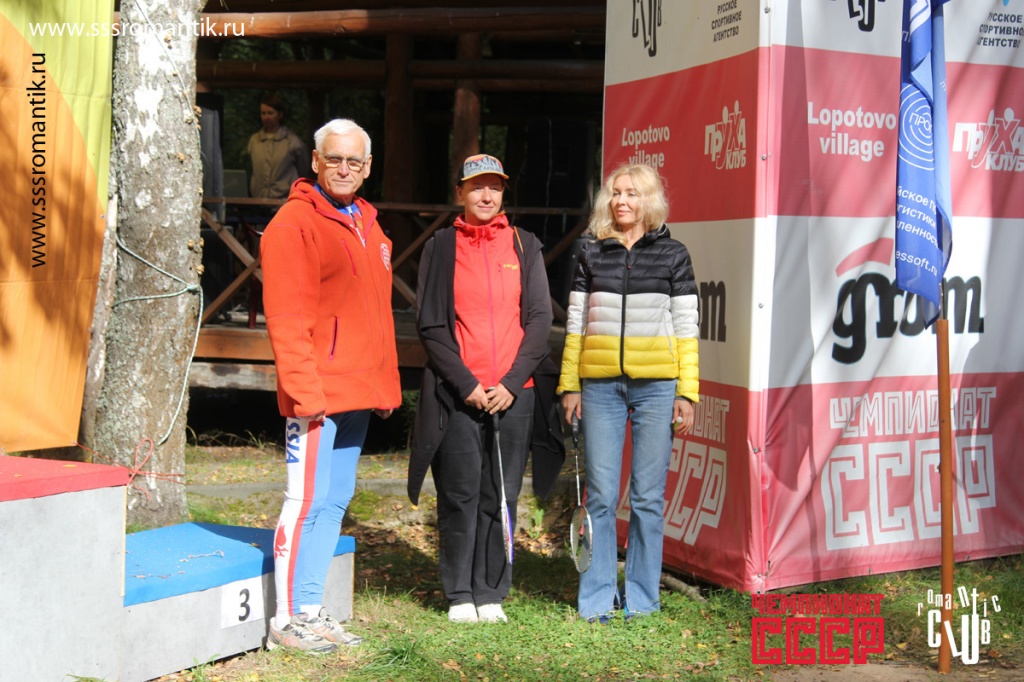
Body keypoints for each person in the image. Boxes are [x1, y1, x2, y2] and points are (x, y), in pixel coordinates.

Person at [260, 118, 401, 652]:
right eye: (334, 159)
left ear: (368, 168)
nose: (344, 169)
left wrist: (385, 385)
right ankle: (286, 621)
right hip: (317, 393)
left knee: (335, 500)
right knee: (306, 501)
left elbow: (377, 314)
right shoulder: (294, 223)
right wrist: (304, 393)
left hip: (359, 392)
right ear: (316, 161)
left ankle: (311, 609)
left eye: (354, 161)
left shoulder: (369, 223)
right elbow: (287, 318)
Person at [408, 154, 562, 624]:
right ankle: (459, 593)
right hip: (459, 393)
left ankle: (490, 590)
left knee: (501, 493)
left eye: (494, 187)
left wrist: (511, 383)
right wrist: (467, 383)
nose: (486, 195)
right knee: (459, 495)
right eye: (476, 187)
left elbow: (540, 319)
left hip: (516, 392)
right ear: (460, 193)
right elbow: (431, 326)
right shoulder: (439, 247)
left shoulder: (524, 244)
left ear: (503, 193)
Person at [557, 164, 699, 623]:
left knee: (647, 499)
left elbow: (686, 331)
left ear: (649, 201)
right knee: (600, 495)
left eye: (632, 193)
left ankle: (641, 601)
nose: (622, 200)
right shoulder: (590, 253)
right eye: (616, 193)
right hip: (599, 387)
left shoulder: (674, 255)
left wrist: (687, 393)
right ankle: (597, 600)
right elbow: (575, 326)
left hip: (658, 388)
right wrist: (570, 384)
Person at [247, 93, 308, 200]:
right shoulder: (254, 140)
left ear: (280, 115)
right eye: (263, 113)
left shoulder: (293, 142)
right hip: (259, 200)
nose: (266, 117)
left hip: (285, 200)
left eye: (270, 113)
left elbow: (304, 171)